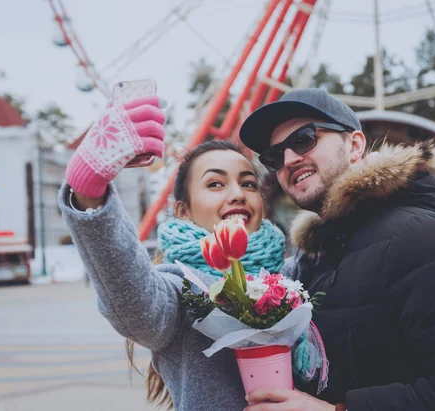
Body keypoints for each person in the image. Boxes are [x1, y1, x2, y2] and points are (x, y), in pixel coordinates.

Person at [238, 88, 435, 410]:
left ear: (355, 145)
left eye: (304, 139)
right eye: (274, 156)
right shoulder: (316, 256)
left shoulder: (418, 236)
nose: (288, 160)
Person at [59, 96, 300, 410]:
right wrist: (88, 192)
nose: (238, 194)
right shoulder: (181, 290)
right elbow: (135, 301)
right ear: (183, 211)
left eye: (249, 183)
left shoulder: (296, 274)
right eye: (215, 184)